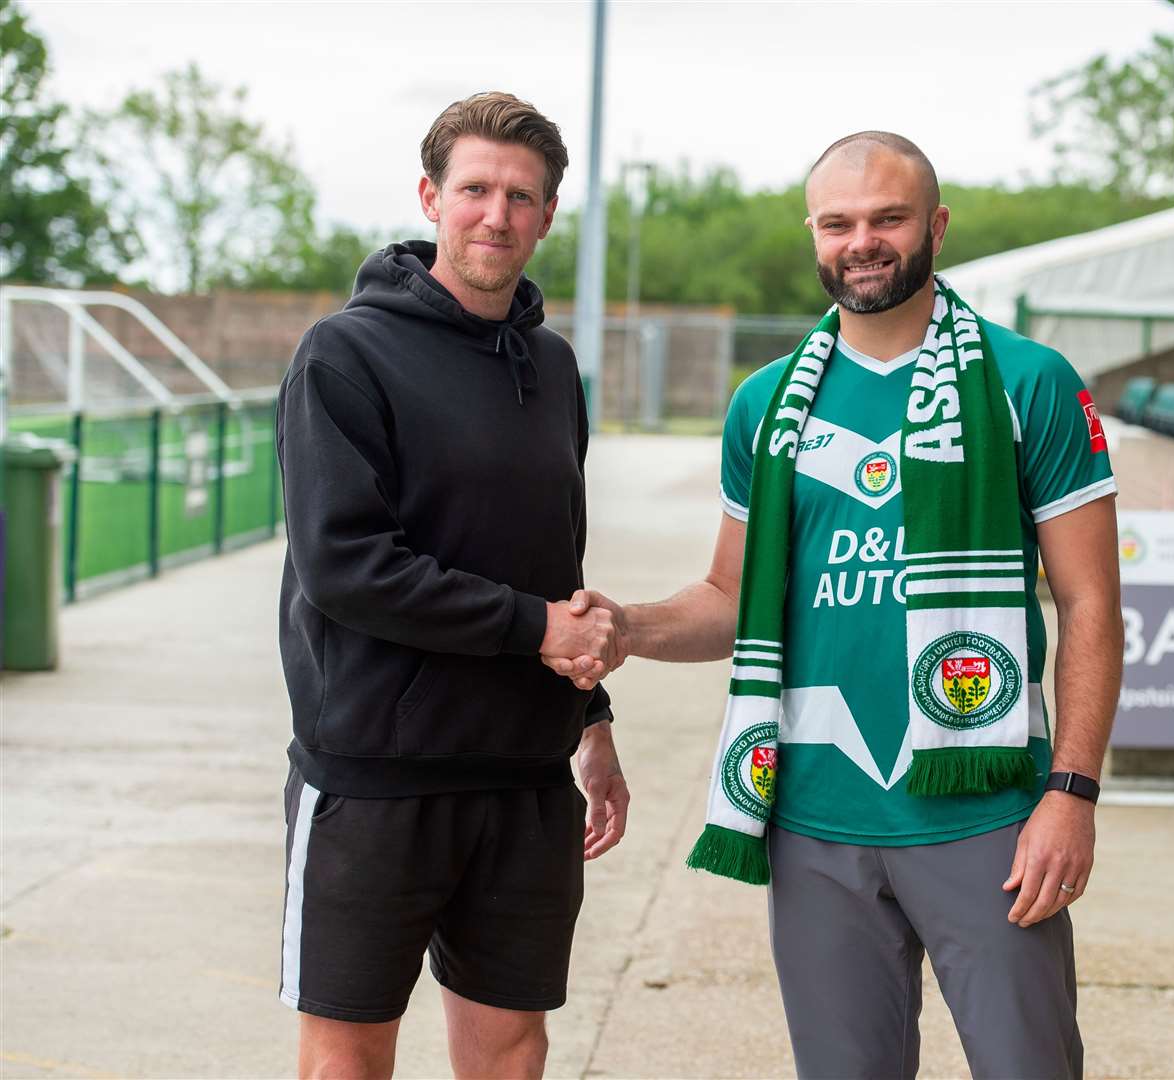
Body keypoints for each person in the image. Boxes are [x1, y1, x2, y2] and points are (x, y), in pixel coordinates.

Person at [547, 132, 1121, 1079]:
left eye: (888, 218)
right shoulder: (766, 404)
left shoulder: (1032, 383)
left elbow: (1091, 604)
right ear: (814, 234)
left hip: (986, 813)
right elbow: (735, 599)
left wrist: (1072, 793)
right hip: (814, 814)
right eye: (840, 222)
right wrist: (629, 627)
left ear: (934, 226)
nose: (865, 241)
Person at [275, 92, 629, 1080]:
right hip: (375, 780)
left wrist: (590, 719)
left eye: (521, 197)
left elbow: (556, 569)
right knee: (346, 1061)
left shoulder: (552, 370)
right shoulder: (343, 356)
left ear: (547, 216)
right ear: (431, 196)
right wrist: (534, 629)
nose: (496, 215)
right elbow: (346, 565)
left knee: (512, 1051)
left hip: (523, 779)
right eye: (474, 189)